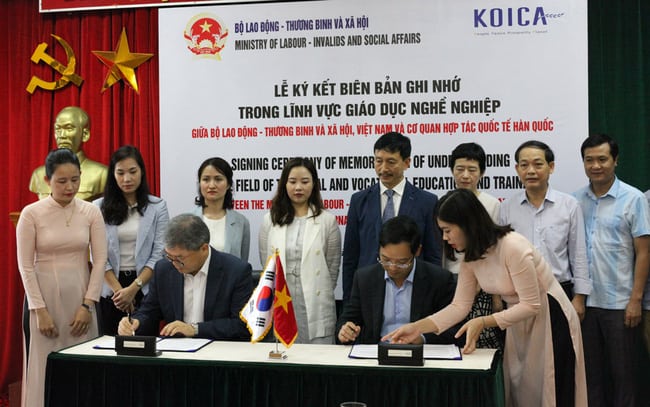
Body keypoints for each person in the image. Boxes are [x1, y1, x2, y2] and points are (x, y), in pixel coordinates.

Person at [383, 189, 587, 407]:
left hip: (550, 318)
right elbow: (459, 306)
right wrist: (416, 328)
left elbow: (531, 304)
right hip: (517, 321)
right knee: (521, 390)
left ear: (467, 224)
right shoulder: (471, 257)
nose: (445, 237)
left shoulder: (513, 246)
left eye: (448, 230)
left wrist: (483, 321)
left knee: (552, 389)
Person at [17, 148, 107, 407]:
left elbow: (100, 260)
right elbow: (25, 266)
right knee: (43, 368)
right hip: (43, 301)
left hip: (81, 299)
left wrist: (88, 305)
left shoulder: (91, 212)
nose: (70, 187)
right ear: (47, 180)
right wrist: (39, 311)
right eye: (62, 181)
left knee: (82, 368)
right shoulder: (31, 214)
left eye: (75, 180)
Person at [573, 134, 650, 407]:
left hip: (620, 304)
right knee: (590, 376)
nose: (596, 166)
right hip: (585, 303)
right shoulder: (575, 200)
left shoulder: (633, 198)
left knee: (623, 376)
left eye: (602, 159)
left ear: (615, 161)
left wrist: (635, 299)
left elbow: (644, 252)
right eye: (589, 160)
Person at [118, 214, 253, 339]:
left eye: (180, 258)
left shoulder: (236, 271)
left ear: (204, 248)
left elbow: (242, 325)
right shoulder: (164, 269)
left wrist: (195, 329)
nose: (174, 264)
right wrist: (136, 322)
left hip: (218, 350)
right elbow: (149, 311)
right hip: (176, 350)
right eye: (169, 256)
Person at [343, 132, 441, 301]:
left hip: (412, 289)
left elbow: (433, 255)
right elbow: (351, 256)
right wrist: (349, 300)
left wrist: (432, 296)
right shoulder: (359, 200)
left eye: (391, 162)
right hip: (368, 289)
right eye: (378, 161)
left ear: (407, 162)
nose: (383, 169)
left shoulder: (427, 202)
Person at [500, 140, 591, 321]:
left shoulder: (569, 205)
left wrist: (580, 297)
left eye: (538, 164)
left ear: (551, 167)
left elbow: (578, 254)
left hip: (559, 291)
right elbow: (500, 255)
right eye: (524, 165)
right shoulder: (507, 208)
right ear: (517, 169)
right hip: (518, 294)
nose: (531, 171)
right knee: (521, 341)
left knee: (559, 340)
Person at [336, 216, 460, 345]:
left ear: (417, 251)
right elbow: (348, 319)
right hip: (377, 351)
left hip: (419, 351)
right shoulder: (365, 278)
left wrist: (422, 338)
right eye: (386, 260)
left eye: (402, 262)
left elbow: (455, 330)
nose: (393, 268)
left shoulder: (439, 280)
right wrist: (345, 331)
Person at [258, 157, 341, 344]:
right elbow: (267, 266)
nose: (298, 188)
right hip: (283, 302)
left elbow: (332, 270)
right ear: (284, 184)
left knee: (319, 358)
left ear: (314, 184)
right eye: (292, 181)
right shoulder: (269, 220)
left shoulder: (327, 221)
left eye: (304, 182)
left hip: (316, 303)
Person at [94, 145, 169, 335]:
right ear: (113, 175)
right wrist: (120, 292)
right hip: (111, 289)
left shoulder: (158, 206)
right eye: (120, 173)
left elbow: (159, 253)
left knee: (144, 344)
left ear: (142, 172)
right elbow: (97, 254)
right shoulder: (98, 207)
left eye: (132, 172)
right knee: (110, 345)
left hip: (144, 287)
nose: (127, 179)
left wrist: (134, 289)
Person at [448, 142, 504, 351]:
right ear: (452, 170)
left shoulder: (492, 204)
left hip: (482, 284)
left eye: (472, 170)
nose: (465, 175)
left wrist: (496, 295)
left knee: (480, 341)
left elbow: (496, 250)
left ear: (482, 172)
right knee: (451, 338)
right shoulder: (444, 203)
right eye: (460, 169)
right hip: (450, 281)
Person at [29, 106, 108, 200]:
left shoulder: (102, 174)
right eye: (58, 129)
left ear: (85, 134)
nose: (62, 135)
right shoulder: (39, 174)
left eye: (69, 129)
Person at [190, 157, 250, 262]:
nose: (212, 185)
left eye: (218, 179)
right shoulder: (187, 221)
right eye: (206, 179)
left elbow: (242, 264)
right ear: (199, 183)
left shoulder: (241, 222)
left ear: (228, 184)